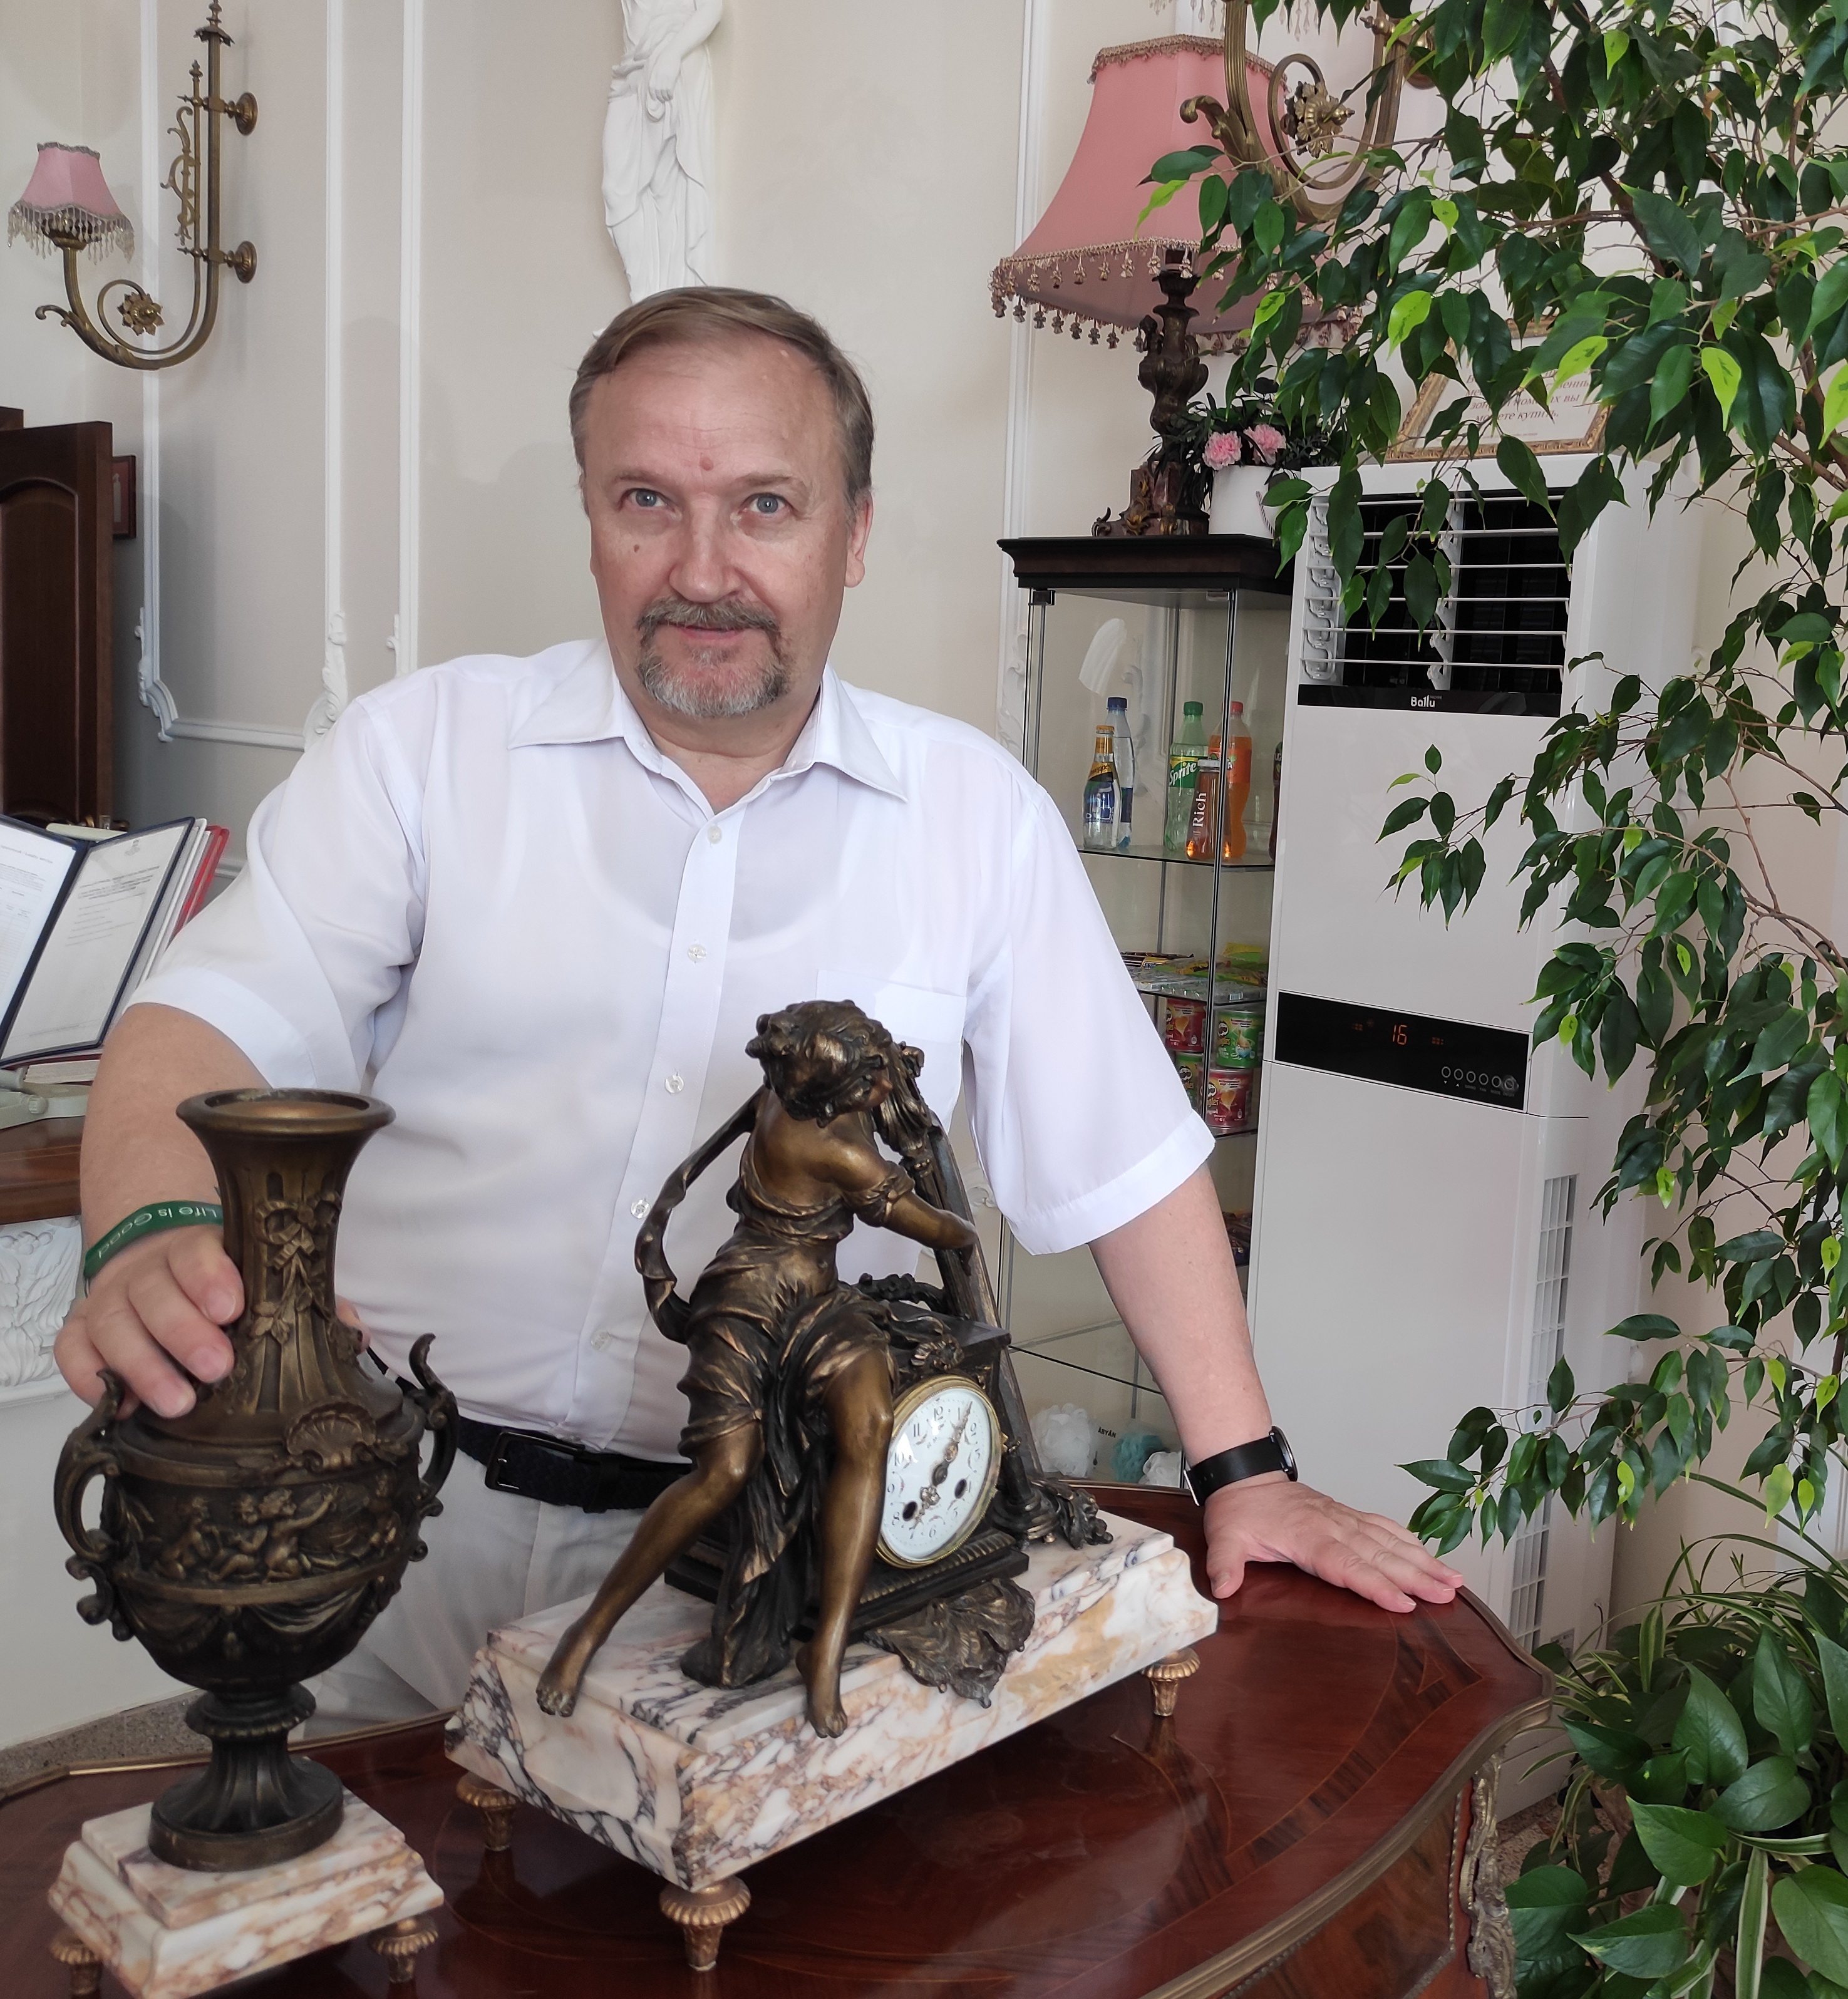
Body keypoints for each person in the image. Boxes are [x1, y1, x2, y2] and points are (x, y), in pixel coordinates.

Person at [54, 286, 1462, 1729]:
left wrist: (1244, 1471)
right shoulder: (418, 756)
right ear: (591, 520)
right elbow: (204, 1020)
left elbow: (1127, 1162)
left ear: (852, 536)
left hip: (769, 1572)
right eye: (646, 501)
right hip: (387, 1531)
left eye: (765, 506)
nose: (701, 568)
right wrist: (151, 1229)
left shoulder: (973, 818)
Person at [537, 999, 978, 1736]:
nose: (884, 1082)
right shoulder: (839, 1151)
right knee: (723, 1473)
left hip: (820, 1301)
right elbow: (941, 1229)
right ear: (833, 1096)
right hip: (745, 1303)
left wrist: (886, 1079)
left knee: (868, 1425)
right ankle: (586, 1634)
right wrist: (954, 1206)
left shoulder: (784, 1091)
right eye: (872, 1075)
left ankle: (825, 1648)